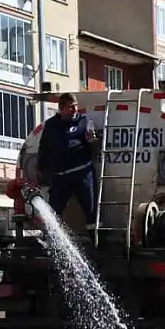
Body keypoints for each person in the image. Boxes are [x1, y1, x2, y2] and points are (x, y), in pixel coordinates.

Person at [37, 93, 97, 235]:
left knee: (90, 208)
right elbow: (43, 148)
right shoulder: (51, 125)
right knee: (53, 209)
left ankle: (95, 238)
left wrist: (91, 140)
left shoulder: (84, 121)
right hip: (60, 176)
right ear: (61, 108)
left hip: (82, 173)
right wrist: (41, 168)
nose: (74, 110)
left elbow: (91, 143)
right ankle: (51, 238)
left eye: (75, 106)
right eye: (70, 107)